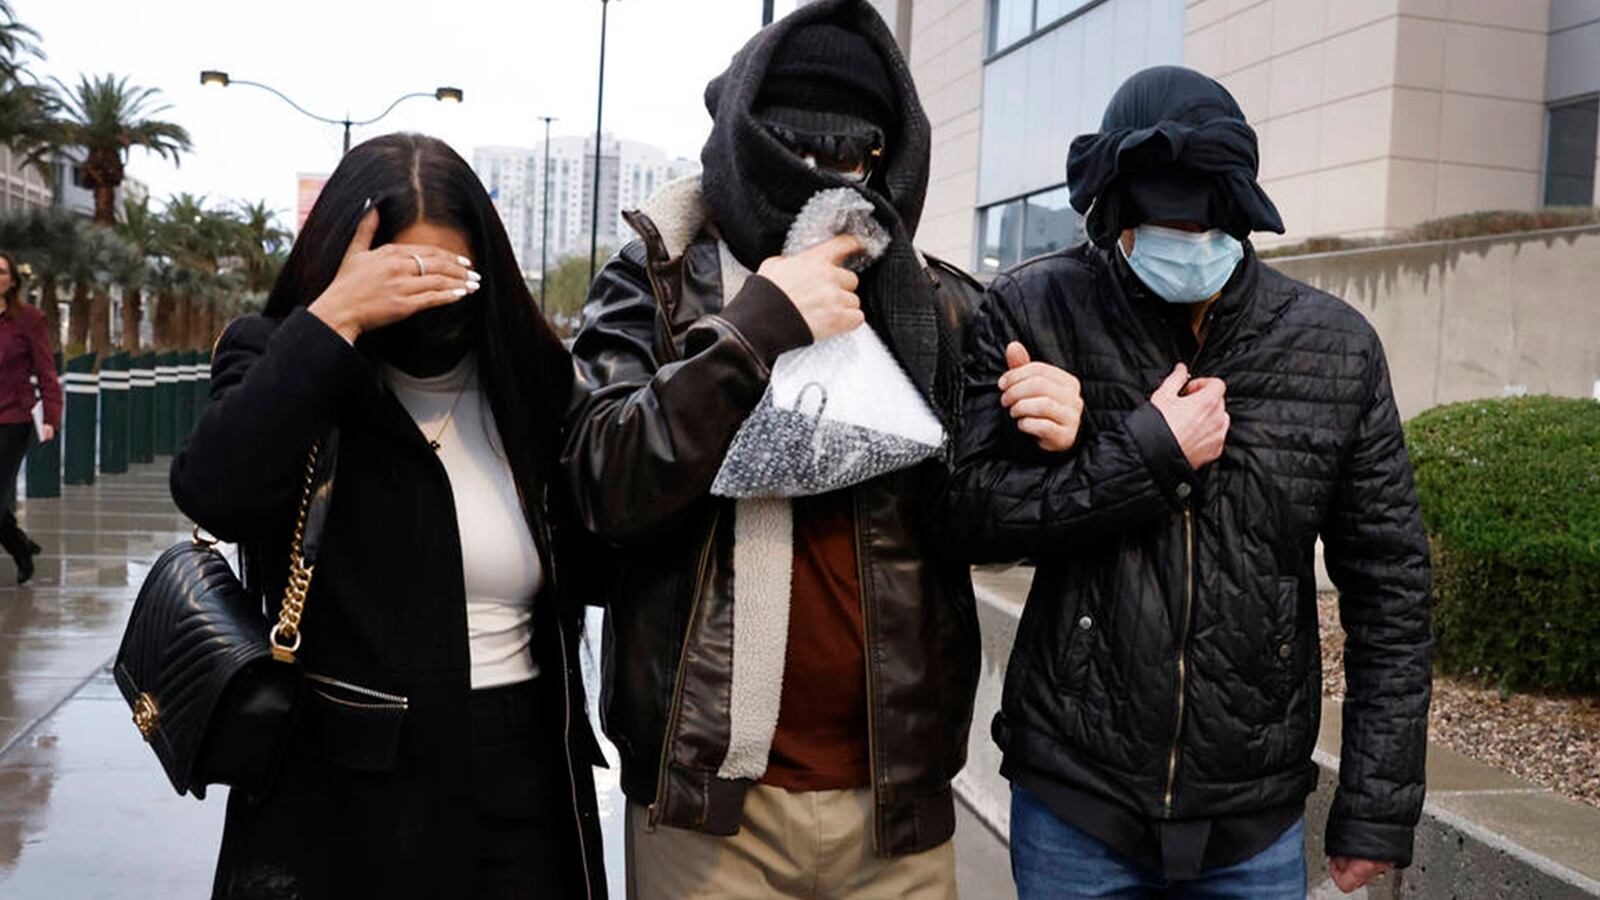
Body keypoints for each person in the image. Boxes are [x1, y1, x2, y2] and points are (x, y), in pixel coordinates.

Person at [562, 2, 1076, 897]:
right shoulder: (660, 281)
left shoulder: (934, 304)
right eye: (794, 149)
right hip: (710, 807)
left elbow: (993, 529)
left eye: (853, 158)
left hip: (895, 806)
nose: (824, 180)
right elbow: (601, 483)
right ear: (745, 138)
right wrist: (752, 330)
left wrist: (1050, 439)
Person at [937, 66, 1433, 898]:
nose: (1186, 238)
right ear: (1114, 217)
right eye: (1160, 219)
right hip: (1075, 800)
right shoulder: (1035, 311)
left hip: (1254, 814)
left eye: (1203, 218)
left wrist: (1377, 805)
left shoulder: (1334, 348)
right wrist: (1140, 453)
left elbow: (1391, 585)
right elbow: (961, 519)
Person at [169, 133, 606, 899]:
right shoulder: (282, 359)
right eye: (401, 273)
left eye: (450, 274)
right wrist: (335, 320)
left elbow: (605, 549)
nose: (426, 298)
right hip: (340, 796)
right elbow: (215, 491)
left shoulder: (531, 382)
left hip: (520, 778)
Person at [0, 251, 59, 584]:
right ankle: (20, 544)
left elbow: (47, 372)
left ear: (12, 281)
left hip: (13, 419)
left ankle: (20, 549)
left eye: (0, 272)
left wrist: (51, 417)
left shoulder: (29, 319)